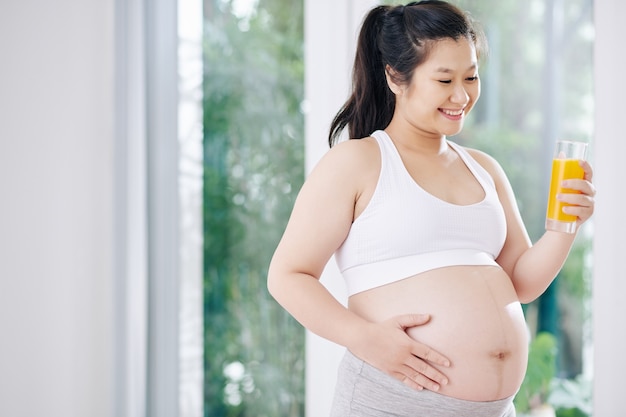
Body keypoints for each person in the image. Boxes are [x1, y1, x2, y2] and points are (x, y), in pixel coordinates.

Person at [267, 1, 596, 416]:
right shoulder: (358, 161)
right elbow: (287, 276)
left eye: (471, 77)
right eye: (444, 80)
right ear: (394, 76)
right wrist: (362, 337)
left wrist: (566, 226)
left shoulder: (484, 169)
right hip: (395, 402)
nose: (462, 95)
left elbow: (522, 283)